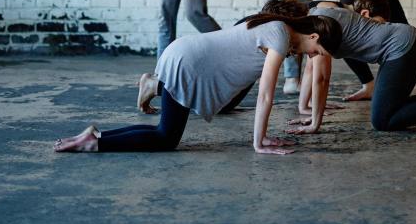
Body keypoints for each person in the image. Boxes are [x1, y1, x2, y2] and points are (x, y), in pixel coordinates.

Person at [54, 14, 342, 155]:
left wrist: (262, 137)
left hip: (185, 55)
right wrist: (258, 143)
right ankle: (93, 143)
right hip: (188, 64)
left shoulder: (280, 30)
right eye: (319, 52)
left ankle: (97, 136)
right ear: (315, 38)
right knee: (166, 139)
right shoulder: (280, 35)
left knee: (164, 131)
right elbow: (266, 94)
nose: (315, 57)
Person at [288, 0, 416, 135]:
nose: (306, 55)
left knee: (382, 121)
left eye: (295, 48)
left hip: (402, 47)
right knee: (388, 107)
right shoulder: (321, 8)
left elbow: (321, 79)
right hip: (406, 41)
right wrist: (310, 112)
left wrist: (315, 124)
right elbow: (313, 72)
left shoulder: (318, 30)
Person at [301, 0, 416, 108]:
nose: (379, 29)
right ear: (365, 15)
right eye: (377, 23)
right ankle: (369, 85)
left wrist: (308, 107)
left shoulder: (345, 20)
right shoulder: (330, 18)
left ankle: (369, 85)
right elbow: (314, 69)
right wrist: (306, 106)